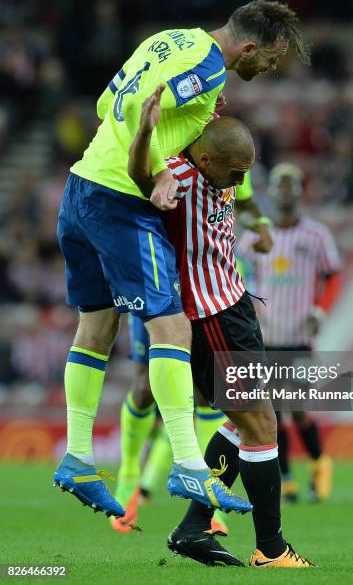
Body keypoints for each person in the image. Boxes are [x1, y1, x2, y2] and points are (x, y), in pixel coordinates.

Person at [53, 0, 309, 519]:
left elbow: (107, 104)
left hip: (80, 187)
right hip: (120, 200)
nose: (270, 71)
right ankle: (190, 465)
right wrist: (156, 168)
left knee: (96, 330)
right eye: (272, 60)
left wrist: (157, 147)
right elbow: (137, 110)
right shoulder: (210, 67)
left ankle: (78, 455)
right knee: (172, 329)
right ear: (250, 47)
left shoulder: (168, 39)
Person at [126, 86, 314, 568]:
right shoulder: (181, 178)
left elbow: (234, 184)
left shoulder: (219, 168)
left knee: (243, 421)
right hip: (209, 317)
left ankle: (193, 527)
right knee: (260, 422)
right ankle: (271, 549)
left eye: (246, 171)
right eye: (235, 172)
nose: (241, 180)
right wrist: (146, 131)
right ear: (205, 157)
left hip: (234, 307)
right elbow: (140, 177)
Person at [112, 170, 273, 534]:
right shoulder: (168, 157)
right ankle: (129, 476)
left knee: (211, 397)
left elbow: (244, 203)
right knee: (144, 388)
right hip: (158, 285)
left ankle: (207, 505)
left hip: (205, 297)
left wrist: (260, 223)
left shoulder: (224, 159)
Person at [238, 163, 342, 502]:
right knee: (272, 410)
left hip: (299, 336)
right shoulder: (254, 237)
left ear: (299, 191)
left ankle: (319, 463)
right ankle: (286, 477)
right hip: (264, 336)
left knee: (296, 405)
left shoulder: (316, 236)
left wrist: (319, 311)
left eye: (290, 183)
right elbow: (235, 270)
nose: (284, 189)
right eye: (279, 184)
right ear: (270, 192)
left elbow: (333, 276)